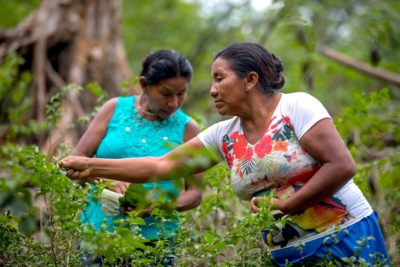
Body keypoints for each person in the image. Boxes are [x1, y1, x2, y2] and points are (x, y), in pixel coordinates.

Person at [59, 43, 390, 266]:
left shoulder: (296, 106)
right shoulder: (223, 135)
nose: (213, 89)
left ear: (250, 80)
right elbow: (160, 167)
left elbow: (342, 165)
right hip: (287, 253)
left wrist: (287, 206)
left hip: (346, 236)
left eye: (219, 78)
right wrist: (90, 165)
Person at [72, 49, 202, 266]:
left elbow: (195, 194)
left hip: (155, 243)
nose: (174, 103)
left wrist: (158, 206)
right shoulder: (114, 109)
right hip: (98, 235)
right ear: (144, 84)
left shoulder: (188, 129)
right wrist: (107, 181)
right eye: (166, 93)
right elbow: (76, 161)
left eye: (181, 94)